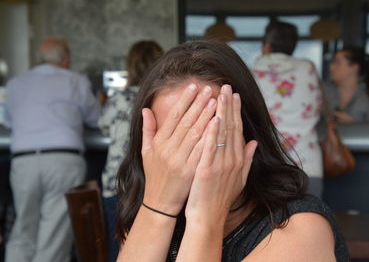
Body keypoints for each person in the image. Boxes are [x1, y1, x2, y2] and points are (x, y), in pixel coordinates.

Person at [115, 40, 349, 261]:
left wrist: (206, 218)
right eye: (173, 139)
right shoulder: (146, 209)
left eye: (211, 132)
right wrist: (157, 208)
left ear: (247, 133)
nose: (188, 157)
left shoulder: (302, 230)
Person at [4, 36, 101, 262]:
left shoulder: (15, 83)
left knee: (22, 229)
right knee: (54, 236)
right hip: (63, 160)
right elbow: (96, 118)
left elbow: (8, 122)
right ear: (65, 60)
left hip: (23, 161)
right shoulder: (76, 81)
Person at [98, 40, 163, 262]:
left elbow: (103, 126)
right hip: (150, 181)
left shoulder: (118, 98)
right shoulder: (160, 98)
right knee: (156, 243)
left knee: (118, 246)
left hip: (117, 183)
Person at [252, 21, 323, 198]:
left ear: (266, 45)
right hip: (308, 162)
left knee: (272, 223)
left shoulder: (255, 70)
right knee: (313, 220)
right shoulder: (308, 68)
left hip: (269, 164)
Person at [328, 46, 369, 122]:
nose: (331, 67)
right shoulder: (322, 92)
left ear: (354, 67)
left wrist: (353, 125)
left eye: (337, 63)